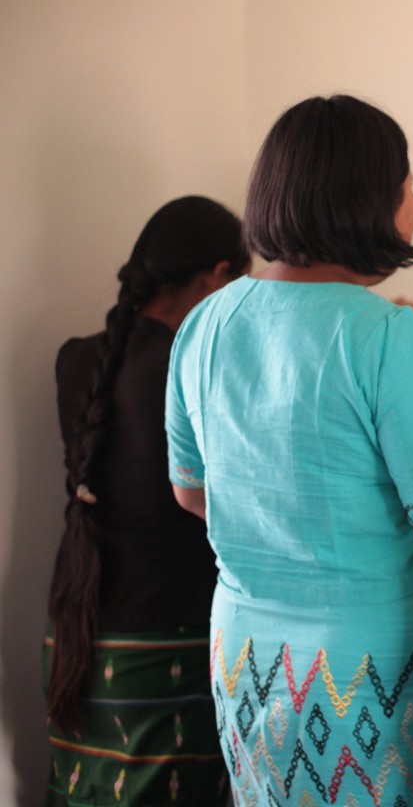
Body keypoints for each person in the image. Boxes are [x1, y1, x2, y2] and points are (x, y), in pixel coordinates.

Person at [165, 95, 413, 806]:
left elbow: (193, 493)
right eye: (409, 183)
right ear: (373, 201)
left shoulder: (204, 324)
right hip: (377, 671)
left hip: (246, 662)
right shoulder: (389, 337)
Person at [45, 196, 248, 805]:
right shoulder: (192, 366)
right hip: (168, 636)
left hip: (76, 628)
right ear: (217, 277)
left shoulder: (76, 359)